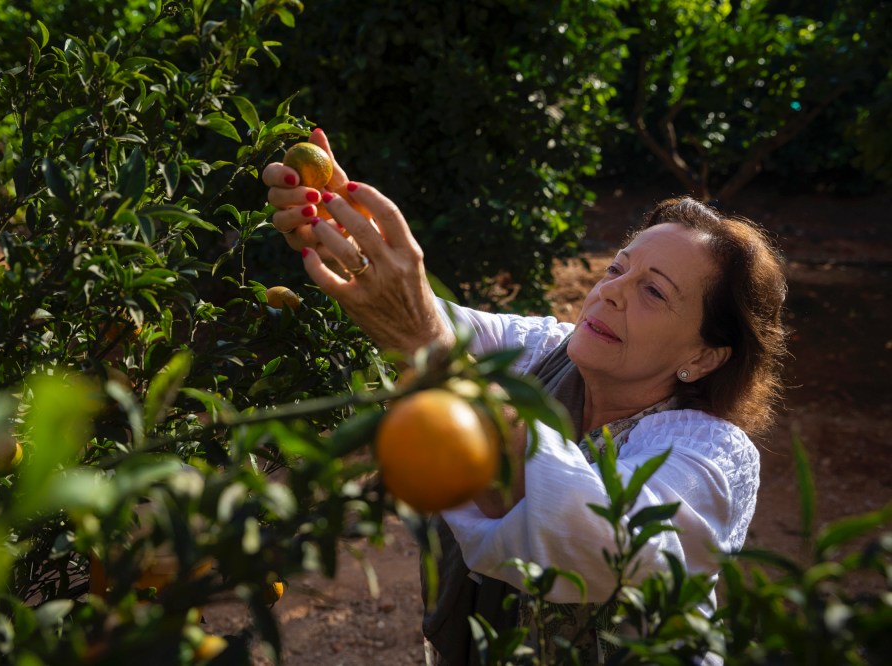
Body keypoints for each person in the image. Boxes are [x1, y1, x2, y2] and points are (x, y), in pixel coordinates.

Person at [263, 129, 788, 665]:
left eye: (653, 291)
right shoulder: (544, 354)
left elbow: (597, 541)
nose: (610, 291)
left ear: (703, 357)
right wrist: (347, 230)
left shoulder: (712, 455)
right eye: (617, 268)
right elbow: (429, 319)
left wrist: (425, 340)